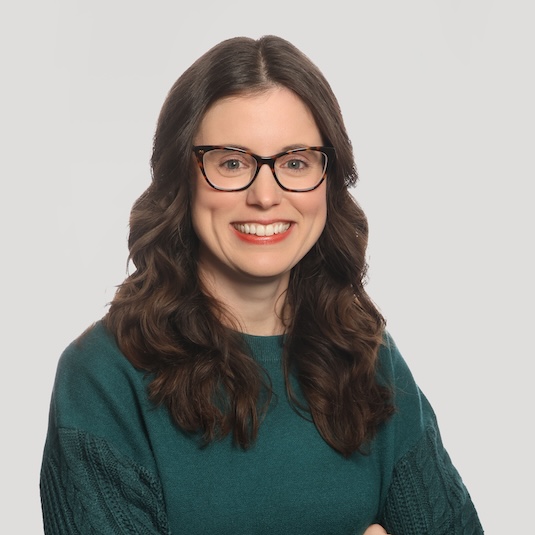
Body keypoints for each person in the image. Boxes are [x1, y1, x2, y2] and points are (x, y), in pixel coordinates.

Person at [40, 35, 484, 534]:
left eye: (295, 162)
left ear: (329, 179)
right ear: (181, 178)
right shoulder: (103, 378)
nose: (266, 195)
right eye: (232, 162)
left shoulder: (370, 360)